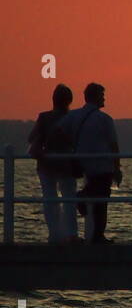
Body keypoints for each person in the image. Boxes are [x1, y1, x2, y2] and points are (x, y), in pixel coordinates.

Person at [60, 82, 121, 244]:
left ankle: (84, 199)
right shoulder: (104, 119)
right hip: (102, 164)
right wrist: (117, 167)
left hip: (82, 163)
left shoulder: (73, 116)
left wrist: (71, 148)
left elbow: (58, 133)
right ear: (95, 97)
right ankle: (97, 235)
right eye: (102, 95)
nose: (104, 98)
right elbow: (113, 145)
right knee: (101, 202)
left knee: (96, 194)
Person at [27, 84, 79, 244]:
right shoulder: (72, 118)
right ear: (69, 100)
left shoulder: (44, 117)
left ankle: (54, 234)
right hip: (66, 164)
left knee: (50, 199)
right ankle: (71, 234)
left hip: (46, 163)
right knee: (69, 199)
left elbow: (31, 138)